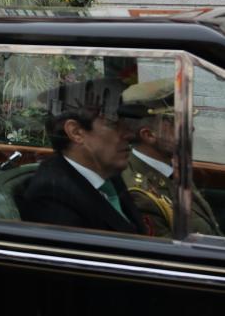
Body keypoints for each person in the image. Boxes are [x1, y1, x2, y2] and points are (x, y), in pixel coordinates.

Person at [19, 78, 145, 234]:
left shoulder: (107, 175)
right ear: (76, 132)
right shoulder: (52, 197)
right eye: (113, 124)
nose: (129, 134)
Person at [120, 79, 222, 239]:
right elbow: (176, 257)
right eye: (179, 121)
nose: (191, 127)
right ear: (149, 135)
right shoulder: (140, 194)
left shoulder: (171, 167)